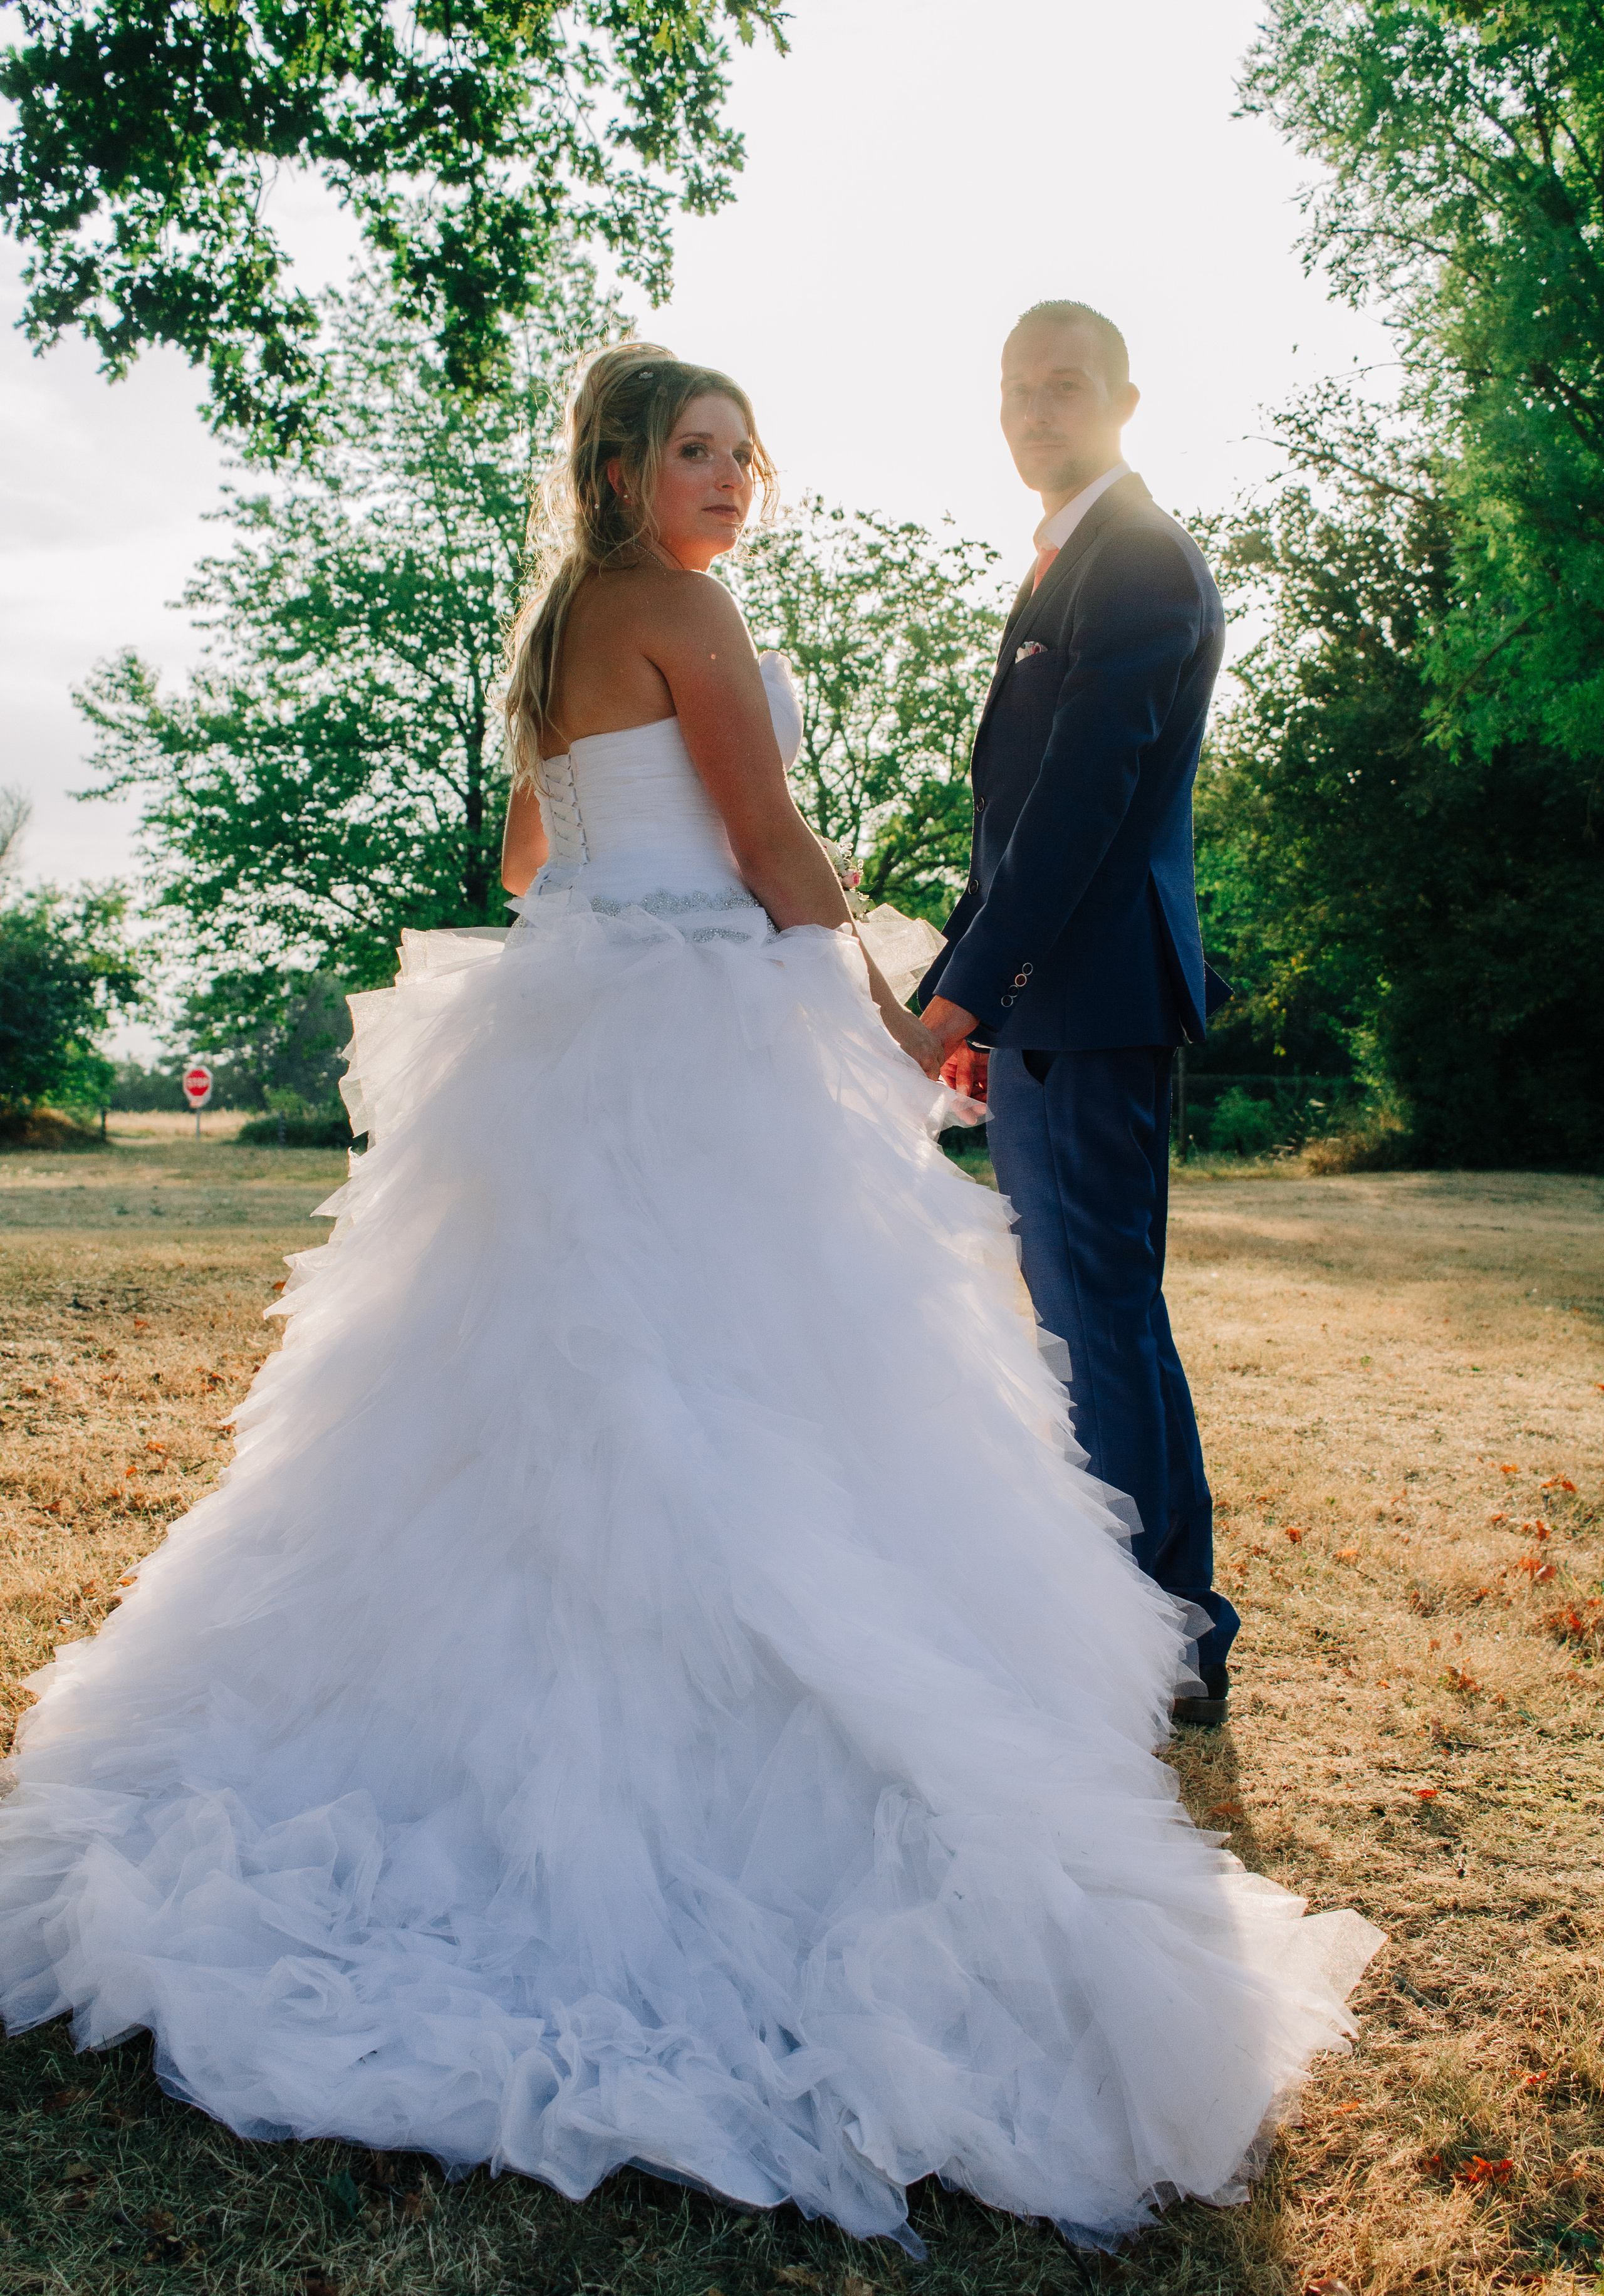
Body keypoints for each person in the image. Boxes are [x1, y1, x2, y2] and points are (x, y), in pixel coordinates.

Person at [0, 345, 1378, 2255]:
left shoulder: (561, 619)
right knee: (743, 1407)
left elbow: (527, 851)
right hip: (700, 1033)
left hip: (569, 1030)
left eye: (745, 451)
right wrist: (896, 1035)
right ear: (624, 465)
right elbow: (773, 851)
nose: (729, 479)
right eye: (694, 451)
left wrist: (615, 883)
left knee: (533, 1404)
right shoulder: (686, 609)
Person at [917, 301, 1238, 1729]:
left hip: (1093, 998)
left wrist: (965, 988)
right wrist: (989, 999)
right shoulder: (1072, 558)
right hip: (1055, 1000)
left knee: (1100, 1317)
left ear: (1120, 400)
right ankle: (1157, 1619)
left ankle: (1164, 1637)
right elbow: (1013, 824)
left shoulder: (1138, 561)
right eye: (1014, 389)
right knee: (1092, 1312)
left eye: (1063, 388)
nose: (1033, 412)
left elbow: (1076, 813)